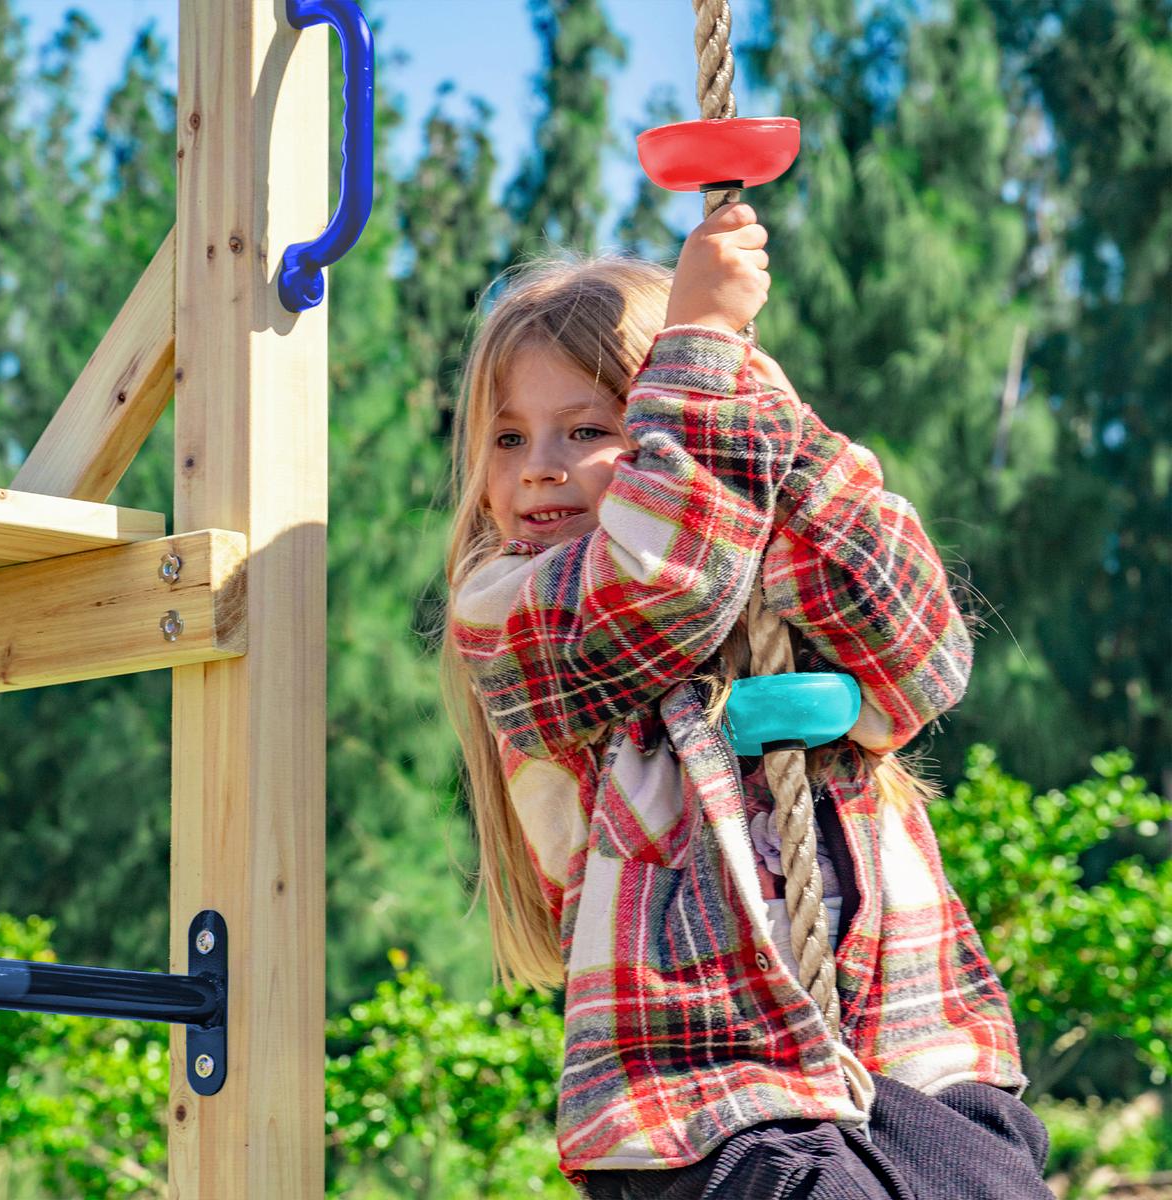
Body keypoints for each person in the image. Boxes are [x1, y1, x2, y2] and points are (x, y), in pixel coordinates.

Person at [441, 202, 1054, 1199]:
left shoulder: (758, 562)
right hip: (703, 1094)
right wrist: (701, 351)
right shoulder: (508, 611)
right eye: (507, 438)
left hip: (912, 1051)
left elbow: (922, 650)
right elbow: (663, 580)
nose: (539, 467)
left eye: (587, 428)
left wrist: (769, 431)